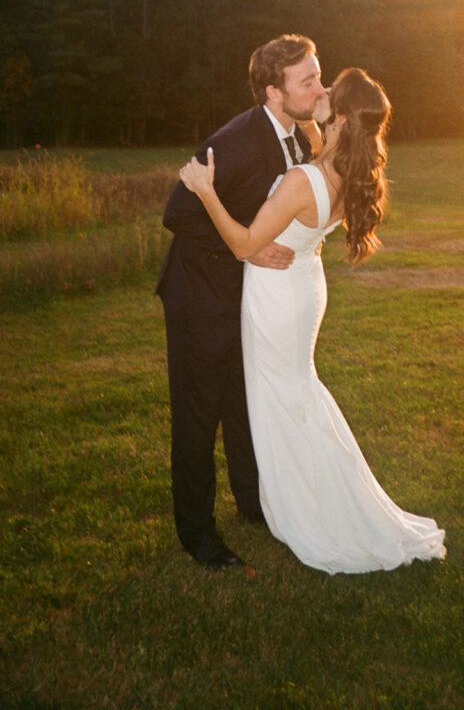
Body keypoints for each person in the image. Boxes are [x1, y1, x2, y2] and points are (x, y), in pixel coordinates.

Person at [179, 67, 446, 574]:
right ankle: (312, 492)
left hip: (279, 300)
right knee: (296, 395)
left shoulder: (306, 179)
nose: (319, 93)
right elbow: (317, 133)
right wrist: (299, 106)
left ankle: (314, 508)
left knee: (286, 401)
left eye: (328, 92)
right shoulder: (349, 169)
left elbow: (242, 244)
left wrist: (205, 189)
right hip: (303, 287)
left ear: (342, 119)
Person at [156, 34, 327, 569]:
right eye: (309, 81)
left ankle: (253, 503)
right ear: (274, 92)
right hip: (200, 297)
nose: (319, 87)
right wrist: (247, 251)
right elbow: (178, 213)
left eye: (319, 75)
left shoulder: (299, 134)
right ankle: (197, 533)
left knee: (243, 402)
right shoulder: (233, 141)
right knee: (198, 414)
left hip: (245, 298)